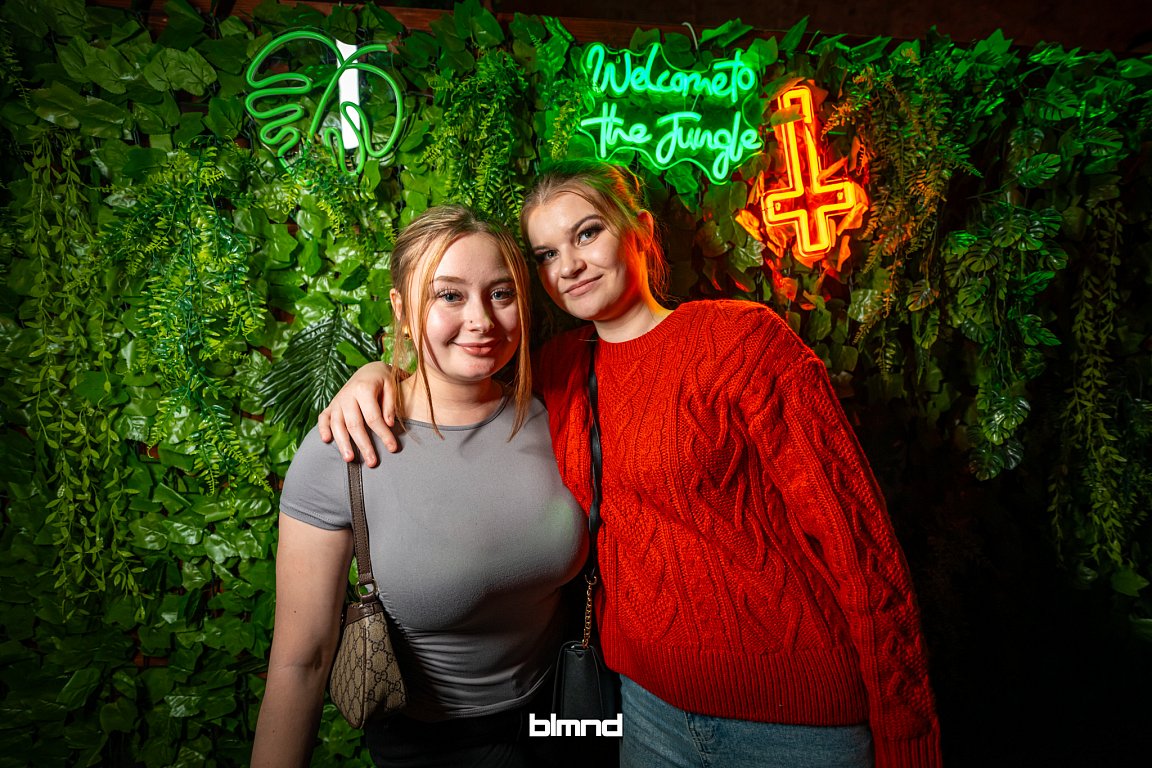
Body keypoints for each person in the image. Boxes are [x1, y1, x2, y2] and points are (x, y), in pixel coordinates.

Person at [319, 161, 943, 768]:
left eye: (587, 233)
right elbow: (453, 380)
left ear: (639, 230)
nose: (569, 265)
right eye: (546, 254)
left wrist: (906, 731)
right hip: (643, 713)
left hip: (794, 720)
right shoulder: (558, 369)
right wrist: (377, 375)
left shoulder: (743, 343)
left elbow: (861, 546)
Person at [251, 205, 587, 768]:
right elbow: (300, 664)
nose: (481, 319)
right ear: (402, 310)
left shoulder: (558, 412)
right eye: (448, 295)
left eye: (501, 293)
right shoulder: (345, 447)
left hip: (567, 719)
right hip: (430, 747)